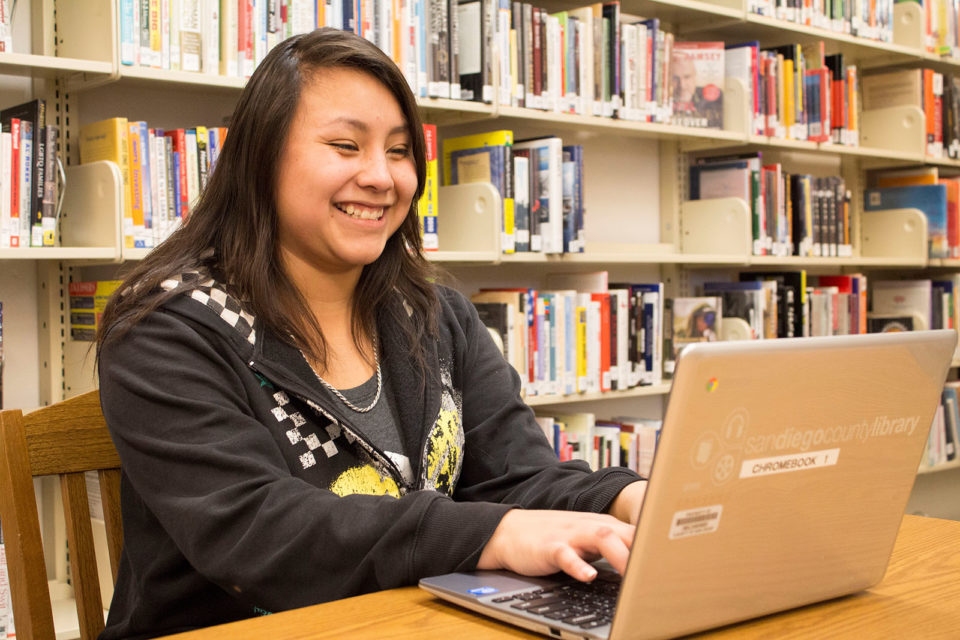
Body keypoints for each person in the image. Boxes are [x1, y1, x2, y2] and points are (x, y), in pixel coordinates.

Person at [95, 27, 647, 639]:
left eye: (400, 150)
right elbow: (257, 531)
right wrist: (495, 532)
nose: (381, 177)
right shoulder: (165, 332)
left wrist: (627, 500)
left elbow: (518, 476)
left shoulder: (437, 316)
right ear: (260, 157)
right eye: (344, 145)